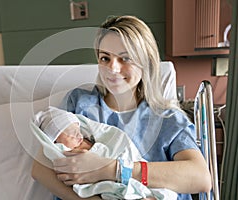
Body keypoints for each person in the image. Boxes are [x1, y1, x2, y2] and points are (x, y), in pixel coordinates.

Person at [31, 15, 211, 200]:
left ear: (146, 62)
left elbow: (200, 177)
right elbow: (41, 168)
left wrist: (111, 169)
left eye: (125, 58)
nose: (113, 68)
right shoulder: (79, 103)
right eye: (105, 58)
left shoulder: (167, 118)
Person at [31, 106, 177, 199]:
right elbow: (39, 168)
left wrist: (112, 168)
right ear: (55, 142)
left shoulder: (169, 115)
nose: (79, 136)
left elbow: (116, 145)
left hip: (130, 174)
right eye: (71, 134)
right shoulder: (79, 100)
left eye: (78, 131)